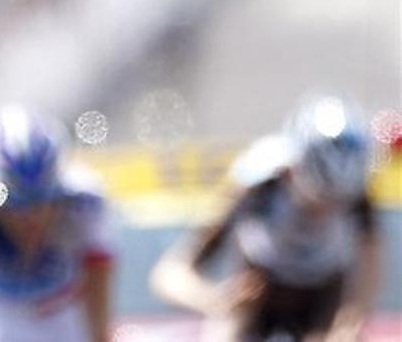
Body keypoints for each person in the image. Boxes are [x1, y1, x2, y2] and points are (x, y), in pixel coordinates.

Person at [150, 94, 382, 342]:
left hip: (323, 302)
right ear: (293, 172)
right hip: (256, 300)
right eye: (318, 199)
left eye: (338, 203)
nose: (325, 212)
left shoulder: (358, 198)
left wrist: (350, 321)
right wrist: (217, 300)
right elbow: (168, 275)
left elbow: (370, 269)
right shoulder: (257, 186)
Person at [0, 105, 114, 342]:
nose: (31, 218)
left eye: (42, 202)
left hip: (65, 328)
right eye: (15, 206)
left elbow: (99, 320)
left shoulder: (85, 204)